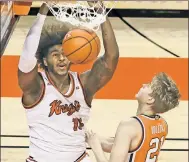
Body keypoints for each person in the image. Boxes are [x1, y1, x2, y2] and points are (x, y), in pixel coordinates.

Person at [17, 2, 119, 162]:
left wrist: (101, 13)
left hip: (78, 158)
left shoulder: (83, 84)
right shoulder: (36, 87)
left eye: (65, 53)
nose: (61, 58)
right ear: (44, 59)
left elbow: (110, 59)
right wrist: (42, 14)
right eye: (55, 54)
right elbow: (26, 59)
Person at [86, 72, 181, 162]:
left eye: (148, 85)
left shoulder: (129, 126)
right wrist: (89, 136)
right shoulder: (163, 124)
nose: (144, 84)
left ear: (150, 99)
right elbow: (120, 145)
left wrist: (95, 146)